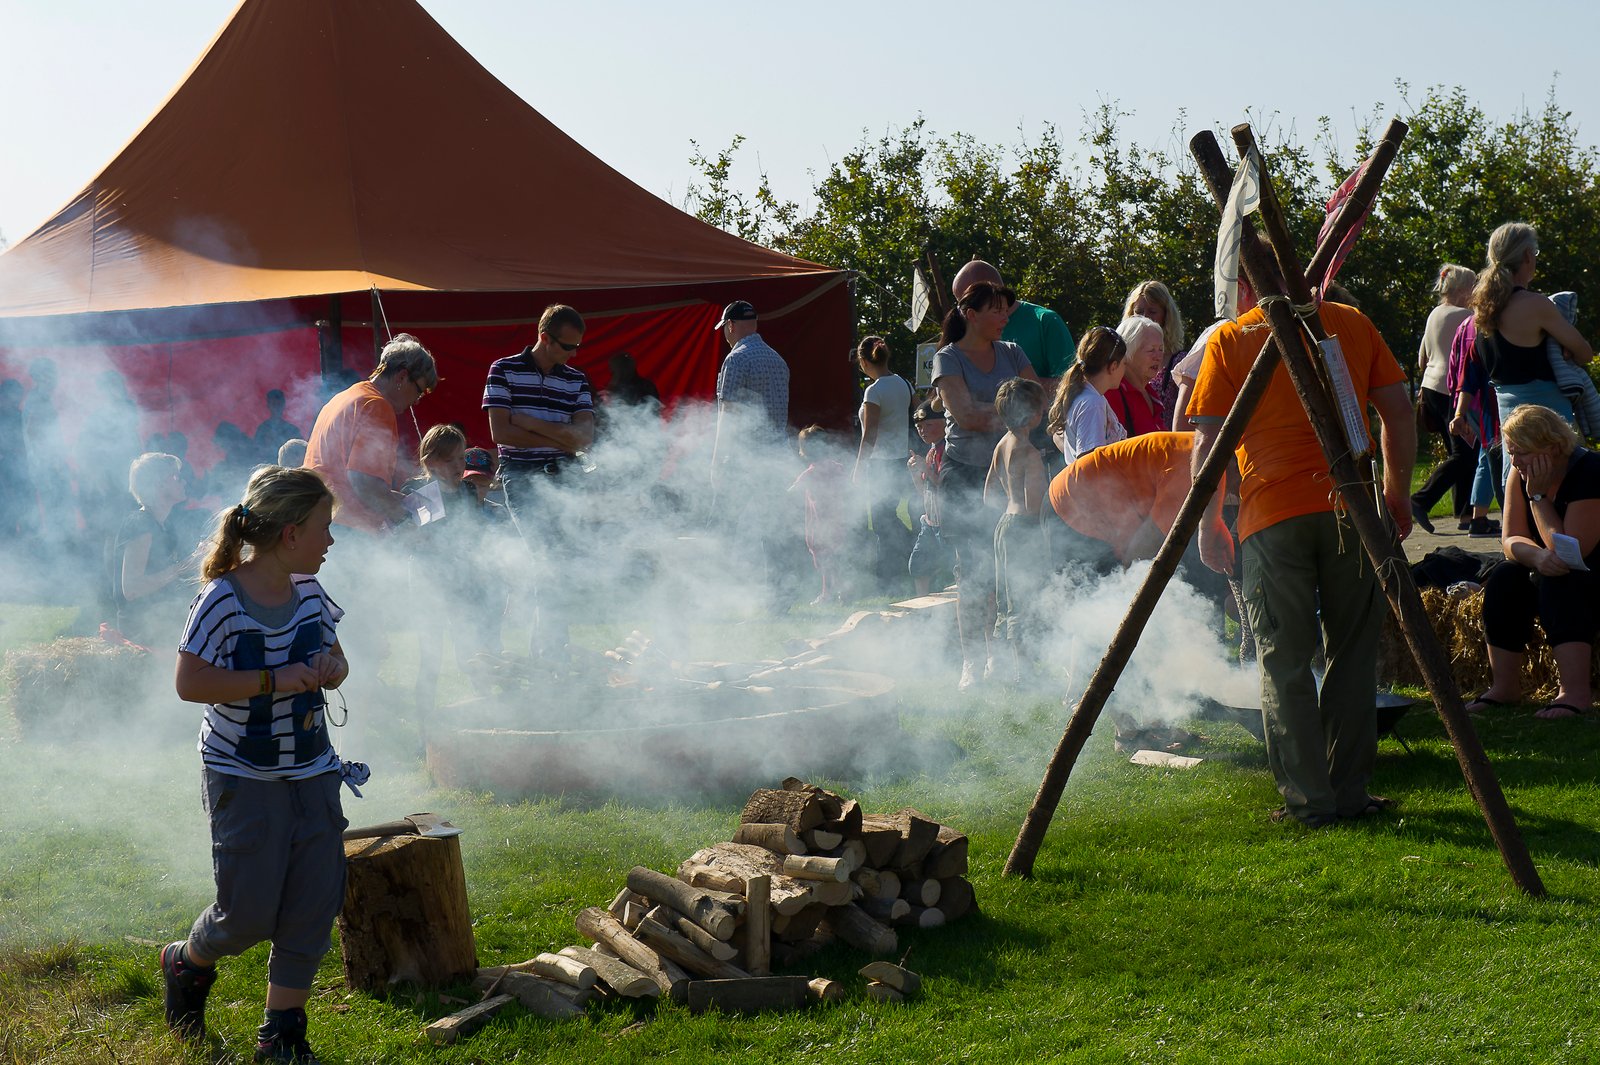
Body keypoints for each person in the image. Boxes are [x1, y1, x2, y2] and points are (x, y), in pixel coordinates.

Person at [1191, 293, 1415, 827]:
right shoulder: (1350, 323)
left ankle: (1310, 804)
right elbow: (1400, 411)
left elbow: (1209, 442)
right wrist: (1397, 492)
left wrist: (1208, 521)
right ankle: (1348, 793)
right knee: (1353, 655)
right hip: (1353, 509)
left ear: (1247, 286)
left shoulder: (1231, 338)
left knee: (1283, 660)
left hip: (1273, 517)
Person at [163, 465, 349, 1062]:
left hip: (314, 769)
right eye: (324, 527)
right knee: (245, 916)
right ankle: (186, 963)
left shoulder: (313, 593)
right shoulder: (221, 599)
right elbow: (190, 683)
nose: (331, 540)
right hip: (244, 776)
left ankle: (281, 1033)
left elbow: (338, 657)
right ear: (291, 533)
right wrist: (274, 679)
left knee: (313, 901)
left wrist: (328, 669)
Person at [931, 280, 1043, 690]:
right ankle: (972, 664)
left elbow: (1038, 403)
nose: (1005, 317)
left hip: (1008, 476)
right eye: (996, 310)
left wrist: (1000, 412)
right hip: (964, 476)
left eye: (1006, 310)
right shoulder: (948, 358)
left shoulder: (1012, 353)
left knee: (1009, 572)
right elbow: (965, 416)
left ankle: (1006, 660)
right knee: (973, 574)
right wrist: (1012, 415)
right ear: (970, 314)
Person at [1465, 405, 1600, 719]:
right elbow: (1511, 539)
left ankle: (1575, 692)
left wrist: (1538, 498)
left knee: (1559, 581)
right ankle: (1505, 686)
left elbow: (1571, 550)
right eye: (1512, 452)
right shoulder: (1519, 472)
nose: (1515, 461)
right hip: (1551, 565)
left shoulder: (1590, 471)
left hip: (1589, 572)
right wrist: (1537, 556)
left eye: (1522, 452)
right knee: (1505, 577)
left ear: (1552, 448)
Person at [483, 304, 595, 664]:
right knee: (547, 561)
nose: (573, 354)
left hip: (565, 477)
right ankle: (551, 654)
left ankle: (549, 653)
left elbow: (585, 439)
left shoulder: (576, 378)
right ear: (544, 338)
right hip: (522, 476)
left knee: (558, 566)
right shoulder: (503, 370)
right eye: (567, 347)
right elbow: (500, 431)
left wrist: (529, 423)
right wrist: (563, 437)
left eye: (576, 347)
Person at [1471, 223, 1594, 485]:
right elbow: (1584, 352)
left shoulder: (1482, 312)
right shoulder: (1536, 304)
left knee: (1519, 492)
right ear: (1527, 255)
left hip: (1510, 422)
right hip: (1548, 420)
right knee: (1566, 488)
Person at [304, 333, 437, 536]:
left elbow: (351, 476)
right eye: (419, 391)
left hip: (321, 520)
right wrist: (407, 521)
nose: (417, 401)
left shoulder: (344, 397)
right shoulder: (378, 406)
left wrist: (398, 499)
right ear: (402, 377)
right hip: (348, 528)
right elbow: (366, 483)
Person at [984, 378, 1049, 683]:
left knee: (1006, 599)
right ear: (1034, 414)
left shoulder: (1002, 444)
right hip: (1024, 530)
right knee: (1023, 599)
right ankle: (1024, 673)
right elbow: (1033, 505)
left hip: (1003, 527)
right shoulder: (1030, 453)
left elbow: (988, 495)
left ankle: (1007, 666)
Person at [1410, 264, 1479, 531]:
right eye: (1474, 287)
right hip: (1451, 390)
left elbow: (1421, 358)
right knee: (1465, 454)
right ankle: (1420, 500)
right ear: (1462, 290)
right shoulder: (1466, 315)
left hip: (1430, 389)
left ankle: (1466, 516)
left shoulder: (1434, 314)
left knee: (1461, 453)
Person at [113, 453, 203, 646]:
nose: (184, 482)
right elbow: (132, 589)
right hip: (143, 630)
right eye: (176, 477)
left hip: (162, 620)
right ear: (158, 484)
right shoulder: (140, 524)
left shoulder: (164, 524)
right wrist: (183, 566)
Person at [950, 259, 1074, 389]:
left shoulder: (1045, 321)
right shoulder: (965, 331)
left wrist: (1010, 385)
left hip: (1039, 408)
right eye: (959, 302)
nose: (961, 311)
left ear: (991, 290)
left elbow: (1071, 384)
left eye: (966, 300)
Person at [852, 335, 915, 591]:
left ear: (864, 362)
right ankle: (906, 557)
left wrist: (858, 466)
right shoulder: (904, 384)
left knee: (881, 520)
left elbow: (870, 433)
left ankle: (889, 575)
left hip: (880, 463)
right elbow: (915, 415)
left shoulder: (874, 390)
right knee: (891, 516)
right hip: (900, 458)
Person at [1046, 327, 1128, 465]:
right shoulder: (1092, 403)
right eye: (1124, 363)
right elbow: (1089, 463)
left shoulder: (1089, 396)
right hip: (1094, 486)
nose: (1125, 369)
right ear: (1113, 366)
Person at [789, 426, 848, 604]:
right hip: (839, 521)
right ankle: (841, 591)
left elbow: (791, 493)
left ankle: (828, 594)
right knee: (834, 558)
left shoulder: (809, 473)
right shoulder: (838, 468)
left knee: (824, 560)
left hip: (819, 524)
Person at [1123, 281, 1187, 427]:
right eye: (1139, 312)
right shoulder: (1120, 359)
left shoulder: (1180, 362)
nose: (1144, 317)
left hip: (1162, 443)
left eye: (1152, 312)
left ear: (1166, 316)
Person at [906, 400, 950, 596]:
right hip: (930, 521)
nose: (923, 430)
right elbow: (925, 492)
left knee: (959, 568)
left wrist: (925, 468)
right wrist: (916, 474)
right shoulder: (931, 450)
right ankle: (922, 607)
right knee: (918, 565)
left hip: (945, 523)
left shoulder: (947, 449)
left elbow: (946, 485)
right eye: (919, 427)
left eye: (928, 425)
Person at [1110, 315, 1168, 435]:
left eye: (1161, 349)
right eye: (1151, 350)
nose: (1158, 357)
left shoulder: (1150, 393)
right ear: (1128, 352)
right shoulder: (1113, 393)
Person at [253, 389, 304, 465]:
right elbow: (256, 453)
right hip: (268, 468)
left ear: (283, 405)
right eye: (273, 404)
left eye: (278, 404)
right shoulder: (262, 430)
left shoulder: (293, 430)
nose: (276, 408)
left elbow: (301, 452)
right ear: (268, 405)